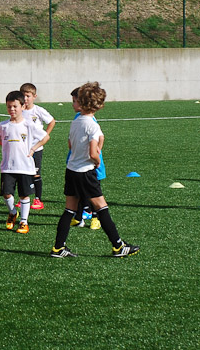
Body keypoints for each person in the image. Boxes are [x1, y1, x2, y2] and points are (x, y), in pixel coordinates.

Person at [51, 82, 138, 259]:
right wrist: (97, 161)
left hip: (71, 170)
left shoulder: (76, 121)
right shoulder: (93, 125)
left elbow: (70, 145)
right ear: (99, 105)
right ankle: (118, 246)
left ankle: (58, 248)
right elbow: (93, 153)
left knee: (69, 210)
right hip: (86, 172)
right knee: (101, 207)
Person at [0, 91, 48, 235]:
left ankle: (24, 221)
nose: (12, 109)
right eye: (9, 106)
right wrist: (4, 145)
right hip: (7, 167)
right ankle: (12, 212)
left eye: (15, 106)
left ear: (22, 106)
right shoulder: (3, 126)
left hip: (25, 167)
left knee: (24, 195)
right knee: (6, 194)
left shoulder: (29, 125)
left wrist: (33, 149)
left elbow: (45, 137)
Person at [67, 87, 106, 230]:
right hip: (77, 160)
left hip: (89, 162)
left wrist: (97, 152)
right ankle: (79, 217)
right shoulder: (78, 118)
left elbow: (101, 137)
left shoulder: (90, 120)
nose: (73, 104)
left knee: (93, 192)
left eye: (75, 101)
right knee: (77, 192)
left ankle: (95, 218)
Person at [20, 82, 55, 210]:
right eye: (23, 96)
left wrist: (45, 135)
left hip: (36, 148)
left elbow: (52, 121)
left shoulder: (38, 110)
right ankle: (24, 198)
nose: (25, 99)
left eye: (28, 96)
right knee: (23, 173)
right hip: (23, 148)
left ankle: (38, 199)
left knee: (35, 174)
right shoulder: (19, 110)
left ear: (34, 96)